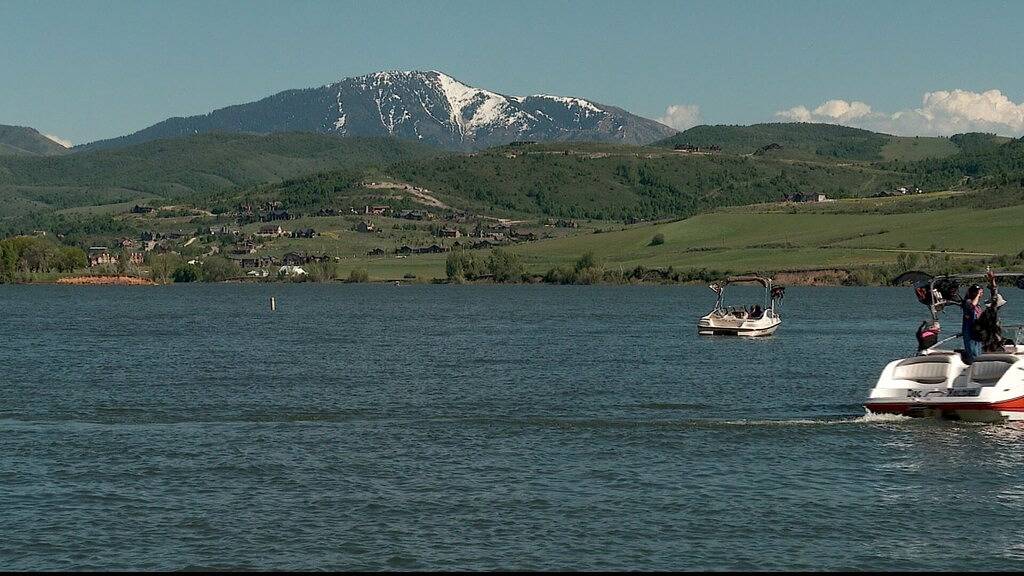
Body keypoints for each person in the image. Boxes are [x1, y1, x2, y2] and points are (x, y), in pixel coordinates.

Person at [962, 271, 998, 363]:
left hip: (978, 334)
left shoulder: (978, 306)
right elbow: (971, 306)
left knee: (979, 355)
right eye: (979, 293)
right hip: (970, 335)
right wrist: (977, 294)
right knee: (974, 357)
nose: (981, 295)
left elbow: (994, 296)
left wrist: (992, 281)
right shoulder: (967, 303)